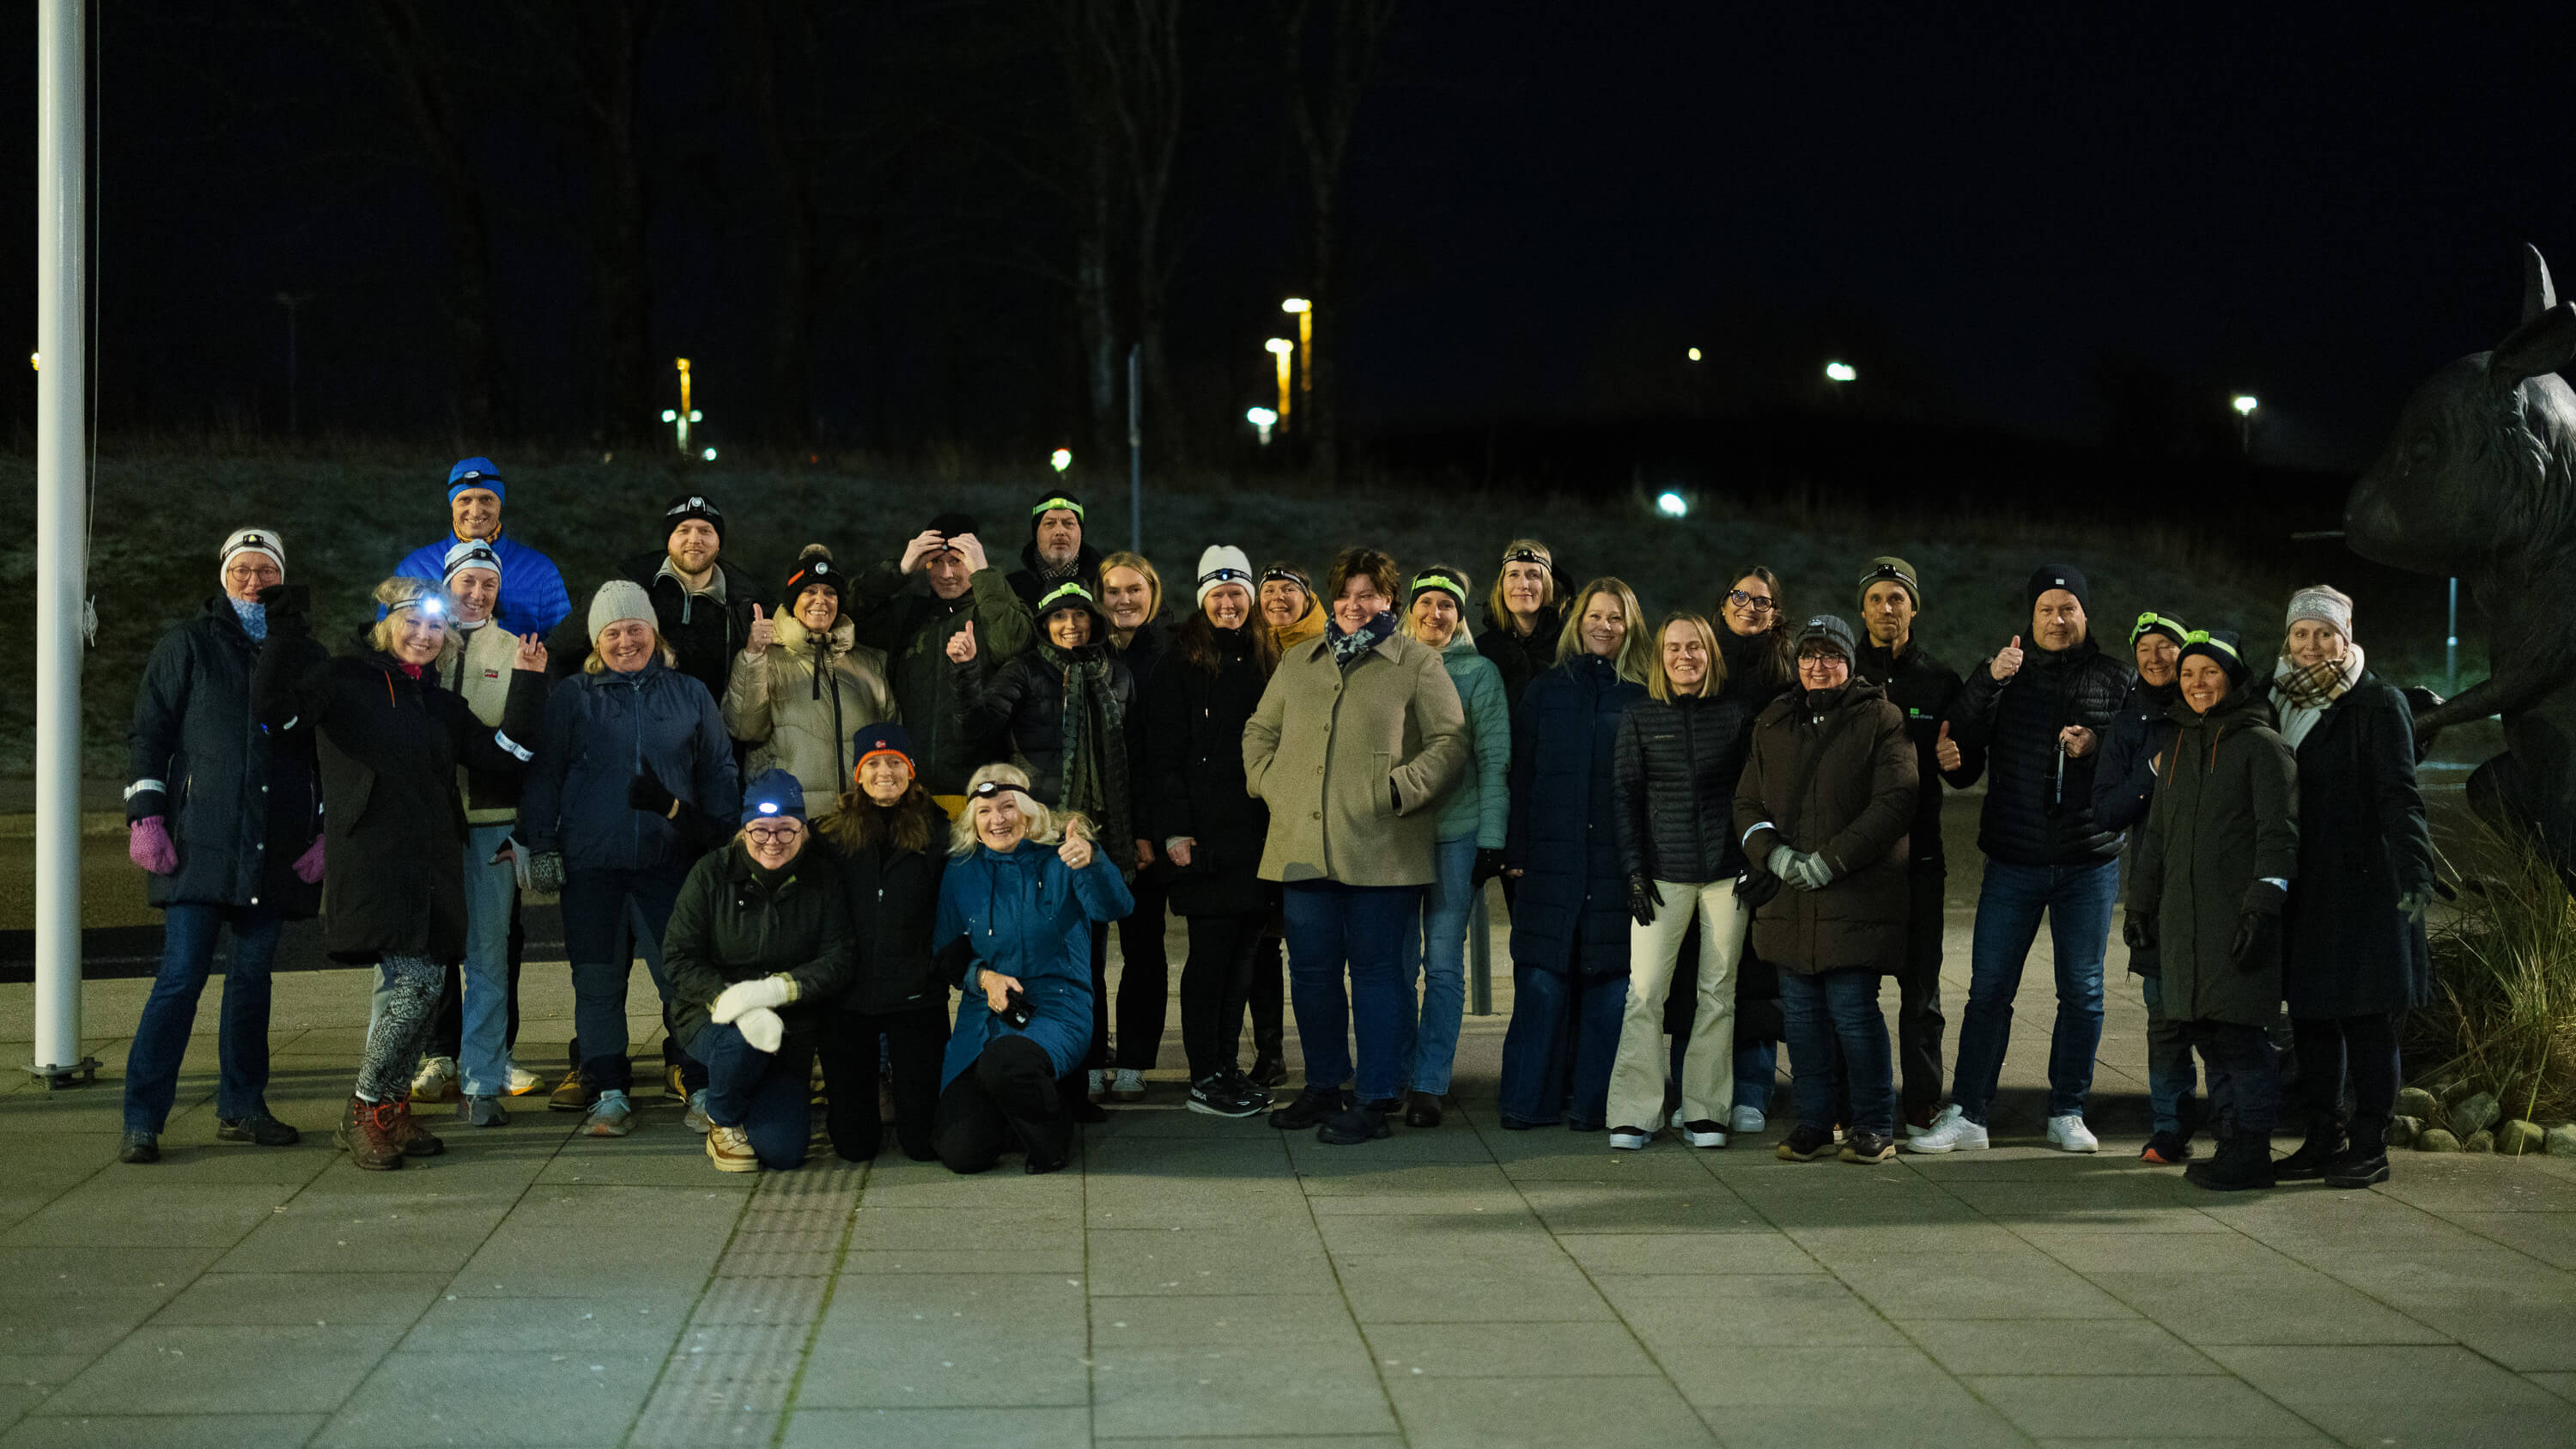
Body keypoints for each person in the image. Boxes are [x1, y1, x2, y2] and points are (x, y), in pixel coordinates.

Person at [252, 577, 546, 1170]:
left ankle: (390, 1109)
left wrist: (530, 681)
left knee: (429, 988)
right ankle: (362, 1111)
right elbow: (274, 716)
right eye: (412, 621)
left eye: (436, 626)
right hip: (376, 864)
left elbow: (506, 754)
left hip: (433, 864)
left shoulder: (437, 702)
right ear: (387, 623)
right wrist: (281, 635)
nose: (424, 634)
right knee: (412, 990)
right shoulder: (345, 679)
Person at [117, 528, 329, 1164]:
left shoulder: (304, 653)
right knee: (180, 978)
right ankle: (142, 1118)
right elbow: (149, 731)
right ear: (223, 576)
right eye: (242, 569)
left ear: (282, 577)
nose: (254, 580)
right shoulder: (187, 645)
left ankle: (242, 1105)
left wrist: (323, 831)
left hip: (274, 845)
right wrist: (145, 813)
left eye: (265, 569)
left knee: (251, 980)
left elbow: (325, 753)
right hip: (199, 843)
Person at [1247, 546, 1467, 1145]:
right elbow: (1259, 730)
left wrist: (1400, 789)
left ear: (1389, 601)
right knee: (1312, 974)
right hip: (1303, 844)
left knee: (1376, 976)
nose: (1353, 605)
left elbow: (1450, 742)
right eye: (1345, 594)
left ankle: (1374, 1098)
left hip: (1384, 848)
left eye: (1367, 595)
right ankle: (1323, 1086)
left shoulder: (1417, 662)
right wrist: (1273, 785)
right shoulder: (1299, 660)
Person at [1911, 563, 2130, 1154]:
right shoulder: (2006, 675)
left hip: (2089, 860)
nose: (2058, 620)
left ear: (2086, 615)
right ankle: (1969, 1113)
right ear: (2029, 619)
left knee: (2082, 991)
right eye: (2046, 610)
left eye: (2068, 609)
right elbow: (1964, 741)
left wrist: (2096, 746)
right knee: (1989, 990)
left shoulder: (2116, 678)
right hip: (2014, 857)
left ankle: (2067, 1109)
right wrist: (1988, 677)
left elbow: (2140, 756)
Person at [519, 581, 742, 1137]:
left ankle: (700, 1081)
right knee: (596, 981)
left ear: (653, 631)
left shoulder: (689, 693)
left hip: (670, 863)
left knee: (682, 981)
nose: (625, 641)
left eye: (634, 629)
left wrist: (721, 836)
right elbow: (545, 773)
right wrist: (541, 842)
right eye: (613, 632)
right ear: (598, 640)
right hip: (592, 864)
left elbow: (717, 768)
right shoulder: (574, 695)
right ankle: (609, 1088)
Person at [2264, 586, 2435, 1190]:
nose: (2311, 645)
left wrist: (2416, 870)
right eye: (2301, 634)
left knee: (2366, 1019)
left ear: (2346, 637)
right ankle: (2321, 1135)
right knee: (2311, 1018)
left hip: (2366, 886)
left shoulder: (2377, 702)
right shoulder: (2273, 700)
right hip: (2306, 885)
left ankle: (2370, 1143)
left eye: (2324, 633)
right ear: (2288, 639)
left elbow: (2400, 795)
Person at [1735, 614, 1917, 1165]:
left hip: (1854, 896)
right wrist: (1776, 855)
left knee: (1855, 1015)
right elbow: (1746, 804)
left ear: (1849, 662)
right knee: (1804, 1021)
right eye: (1809, 656)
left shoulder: (1881, 719)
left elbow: (1896, 800)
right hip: (1790, 899)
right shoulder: (1773, 720)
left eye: (1831, 655)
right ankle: (1814, 1122)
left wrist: (1831, 861)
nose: (1819, 665)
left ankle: (1872, 1125)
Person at [951, 579, 1135, 1110]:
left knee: (1090, 964)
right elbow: (979, 729)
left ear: (1095, 622)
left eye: (1080, 617)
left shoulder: (1115, 674)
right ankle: (1036, 1074)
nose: (1071, 626)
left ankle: (1077, 1082)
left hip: (1092, 832)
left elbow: (1133, 751)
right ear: (1044, 625)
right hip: (1036, 832)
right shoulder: (1025, 671)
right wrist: (965, 672)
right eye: (1060, 618)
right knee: (1040, 955)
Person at [2127, 630, 2298, 1191]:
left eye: (2209, 672)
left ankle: (2249, 1148)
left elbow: (2279, 837)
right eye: (2189, 674)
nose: (2197, 683)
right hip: (2184, 922)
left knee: (2240, 1038)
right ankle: (2233, 1144)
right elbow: (2157, 837)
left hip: (2235, 919)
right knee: (2206, 1032)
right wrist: (2140, 902)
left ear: (2232, 678)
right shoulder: (2177, 744)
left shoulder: (2261, 745)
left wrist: (2262, 907)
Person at [1500, 576, 1653, 1133]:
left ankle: (1595, 1106)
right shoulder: (1546, 690)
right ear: (1577, 620)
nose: (1604, 625)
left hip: (1617, 864)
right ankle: (1526, 1102)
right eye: (1595, 614)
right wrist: (1514, 846)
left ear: (1630, 626)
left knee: (1609, 984)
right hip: (1549, 859)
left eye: (1616, 617)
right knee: (1541, 981)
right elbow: (1521, 773)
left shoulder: (1643, 694)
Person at [933, 765, 1135, 1174]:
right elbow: (946, 951)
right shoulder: (961, 870)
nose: (998, 819)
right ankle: (1013, 1109)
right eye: (985, 811)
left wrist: (1092, 862)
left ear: (1027, 811)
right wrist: (982, 978)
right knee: (960, 1152)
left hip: (1056, 1007)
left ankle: (1051, 1135)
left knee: (1007, 1064)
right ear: (973, 820)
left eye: (1008, 807)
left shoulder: (1062, 856)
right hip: (985, 1013)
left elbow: (1115, 908)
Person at [1607, 611, 1758, 1149]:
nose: (1684, 656)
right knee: (1645, 992)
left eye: (1694, 647)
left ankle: (1706, 1111)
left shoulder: (1737, 716)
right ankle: (1634, 1112)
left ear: (1710, 654)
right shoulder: (1640, 717)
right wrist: (1633, 871)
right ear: (1660, 656)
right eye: (1673, 648)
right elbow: (1624, 797)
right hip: (1661, 877)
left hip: (1725, 878)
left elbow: (1752, 795)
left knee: (1718, 993)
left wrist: (1752, 861)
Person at [1140, 546, 1279, 1118]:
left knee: (1245, 956)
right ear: (1203, 599)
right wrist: (1174, 829)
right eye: (1218, 595)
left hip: (1255, 835)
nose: (1228, 603)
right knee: (1210, 957)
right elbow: (1162, 753)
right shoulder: (1179, 661)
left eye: (1237, 593)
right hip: (1201, 837)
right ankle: (1204, 1074)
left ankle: (1226, 1065)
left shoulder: (1266, 658)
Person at [1850, 557, 1984, 1135]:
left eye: (1897, 599)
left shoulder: (1939, 679)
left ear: (1914, 607)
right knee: (1852, 993)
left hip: (1922, 861)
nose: (1887, 609)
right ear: (1862, 607)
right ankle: (1855, 1101)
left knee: (1922, 994)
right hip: (1855, 865)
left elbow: (1962, 764)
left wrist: (1961, 762)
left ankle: (1921, 1102)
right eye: (1877, 598)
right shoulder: (1841, 670)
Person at [662, 770, 855, 1172]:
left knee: (783, 1152)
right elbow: (678, 957)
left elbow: (839, 957)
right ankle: (723, 1118)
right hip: (711, 1016)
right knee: (743, 1041)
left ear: (803, 830)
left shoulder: (822, 879)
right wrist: (730, 998)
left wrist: (778, 991)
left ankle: (751, 1093)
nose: (772, 842)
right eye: (760, 830)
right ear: (743, 830)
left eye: (786, 830)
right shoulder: (711, 875)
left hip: (790, 1029)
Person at [414, 540, 540, 1126]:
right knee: (416, 958)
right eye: (467, 581)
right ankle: (403, 1071)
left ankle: (482, 1079)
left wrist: (530, 830)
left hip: (492, 828)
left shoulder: (517, 650)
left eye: (488, 583)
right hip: (429, 829)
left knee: (488, 958)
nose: (477, 592)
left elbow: (531, 748)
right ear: (447, 584)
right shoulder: (421, 643)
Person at [1394, 565, 1510, 1128]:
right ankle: (1391, 1068)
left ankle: (1429, 1081)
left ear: (1459, 615)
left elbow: (1494, 759)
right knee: (1393, 963)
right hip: (1395, 835)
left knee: (1442, 963)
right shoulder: (1389, 663)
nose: (1435, 613)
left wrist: (1491, 838)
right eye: (1427, 603)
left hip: (1457, 834)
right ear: (1410, 609)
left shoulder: (1479, 673)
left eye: (1447, 605)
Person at [811, 723, 954, 1161]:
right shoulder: (829, 835)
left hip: (916, 994)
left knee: (922, 1144)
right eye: (873, 764)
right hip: (847, 997)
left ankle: (908, 1103)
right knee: (854, 1148)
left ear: (911, 771)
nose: (884, 772)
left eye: (895, 762)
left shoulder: (939, 833)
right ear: (858, 773)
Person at [2093, 609, 2201, 1164]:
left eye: (2167, 648)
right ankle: (2169, 1128)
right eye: (2145, 651)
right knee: (2164, 1016)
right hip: (2156, 893)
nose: (2157, 659)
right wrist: (2151, 773)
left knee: (2227, 1019)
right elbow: (2107, 810)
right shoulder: (2128, 722)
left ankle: (2240, 1123)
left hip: (2215, 888)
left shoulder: (2210, 713)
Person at [847, 511, 1032, 805]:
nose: (946, 574)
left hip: (980, 791)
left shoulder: (999, 608)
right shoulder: (910, 614)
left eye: (957, 562)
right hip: (913, 793)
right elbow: (848, 613)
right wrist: (900, 570)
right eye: (935, 563)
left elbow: (1012, 645)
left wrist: (984, 573)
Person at [1712, 563, 1798, 1134]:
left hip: (1762, 839)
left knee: (1758, 971)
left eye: (1762, 601)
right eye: (1740, 596)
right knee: (1705, 971)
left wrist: (1774, 848)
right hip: (1703, 838)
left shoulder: (1787, 675)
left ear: (1776, 613)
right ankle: (1699, 1084)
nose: (1749, 606)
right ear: (1723, 605)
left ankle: (1752, 1085)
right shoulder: (1699, 662)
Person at [1236, 561, 1326, 1083]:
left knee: (1314, 943)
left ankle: (1324, 1056)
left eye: (1288, 589)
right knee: (1263, 940)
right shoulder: (1251, 645)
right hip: (1261, 811)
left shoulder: (1327, 644)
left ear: (1308, 596)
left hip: (1312, 812)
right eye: (1267, 591)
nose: (1276, 599)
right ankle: (1270, 1053)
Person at [544, 494, 758, 706]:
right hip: (628, 730)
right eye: (683, 531)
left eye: (705, 531)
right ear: (668, 540)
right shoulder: (625, 588)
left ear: (719, 542)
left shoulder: (746, 604)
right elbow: (556, 652)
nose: (694, 540)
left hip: (710, 734)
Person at [723, 545, 898, 801]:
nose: (821, 600)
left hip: (858, 821)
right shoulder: (765, 658)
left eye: (830, 592)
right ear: (793, 600)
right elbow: (743, 729)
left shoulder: (869, 664)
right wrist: (752, 657)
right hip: (789, 825)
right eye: (809, 591)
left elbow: (892, 742)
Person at [1098, 551, 1171, 1103]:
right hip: (1095, 825)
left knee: (1144, 946)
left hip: (1144, 824)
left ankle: (1137, 1059)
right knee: (1090, 947)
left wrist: (1146, 829)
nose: (1124, 600)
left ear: (1153, 593)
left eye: (1134, 590)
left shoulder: (1168, 655)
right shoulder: (1086, 653)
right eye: (1113, 591)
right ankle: (1092, 1051)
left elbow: (1160, 755)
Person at [392, 457, 571, 639]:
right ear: (452, 504)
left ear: (500, 503)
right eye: (465, 500)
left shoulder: (540, 571)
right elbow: (388, 640)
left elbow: (564, 645)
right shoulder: (414, 568)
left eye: (487, 499)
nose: (476, 511)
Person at [1477, 539, 1575, 710]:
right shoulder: (1481, 651)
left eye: (1534, 575)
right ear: (1501, 585)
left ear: (1547, 586)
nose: (1522, 584)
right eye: (1514, 574)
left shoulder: (1571, 646)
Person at [1005, 490, 1103, 610]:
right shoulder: (1012, 589)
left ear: (1081, 533)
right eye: (1050, 523)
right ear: (1036, 533)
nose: (1060, 531)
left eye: (1069, 523)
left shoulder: (1105, 585)